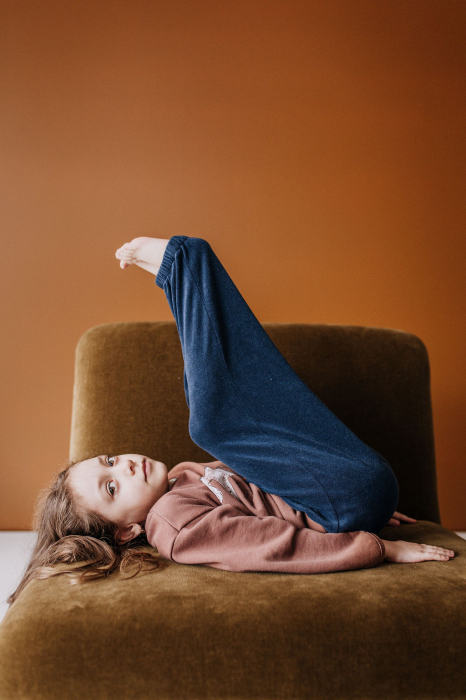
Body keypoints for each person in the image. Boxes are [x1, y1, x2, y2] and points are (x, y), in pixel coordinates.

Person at [8, 236, 455, 606]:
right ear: (126, 532)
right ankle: (182, 267)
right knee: (212, 423)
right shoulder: (172, 524)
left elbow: (276, 474)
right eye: (112, 488)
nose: (122, 466)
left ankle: (181, 277)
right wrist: (376, 547)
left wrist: (365, 507)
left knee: (212, 403)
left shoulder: (182, 481)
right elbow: (275, 548)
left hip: (346, 495)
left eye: (109, 460)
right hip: (344, 505)